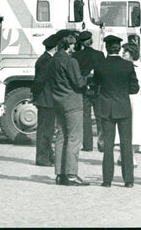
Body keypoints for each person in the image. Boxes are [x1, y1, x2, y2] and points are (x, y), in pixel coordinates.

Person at [93, 35, 138, 187]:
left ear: (106, 48)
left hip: (106, 108)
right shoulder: (128, 65)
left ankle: (107, 180)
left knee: (108, 145)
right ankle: (129, 180)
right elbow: (134, 88)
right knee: (126, 144)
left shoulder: (100, 66)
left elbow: (95, 87)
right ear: (119, 48)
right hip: (123, 108)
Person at [51, 30, 89, 186]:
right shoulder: (71, 61)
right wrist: (88, 76)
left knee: (61, 137)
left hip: (57, 101)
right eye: (74, 45)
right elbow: (78, 82)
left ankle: (60, 174)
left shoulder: (54, 59)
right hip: (72, 102)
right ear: (70, 45)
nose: (75, 48)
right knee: (74, 139)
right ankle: (72, 174)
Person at [114, 42, 141, 168]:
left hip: (136, 102)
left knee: (136, 130)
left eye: (126, 51)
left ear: (132, 53)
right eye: (123, 51)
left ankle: (131, 156)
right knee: (121, 129)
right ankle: (122, 155)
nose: (123, 53)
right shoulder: (120, 66)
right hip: (121, 100)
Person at [71, 31, 105, 152]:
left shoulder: (75, 56)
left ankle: (87, 145)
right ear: (91, 41)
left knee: (85, 118)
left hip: (83, 89)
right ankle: (102, 144)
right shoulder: (99, 55)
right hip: (97, 89)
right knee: (100, 117)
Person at [32, 33, 58, 166]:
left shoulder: (44, 59)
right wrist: (35, 95)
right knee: (45, 131)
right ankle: (42, 158)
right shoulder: (46, 61)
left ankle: (47, 155)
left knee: (47, 130)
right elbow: (40, 81)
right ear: (55, 47)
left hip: (46, 99)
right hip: (46, 100)